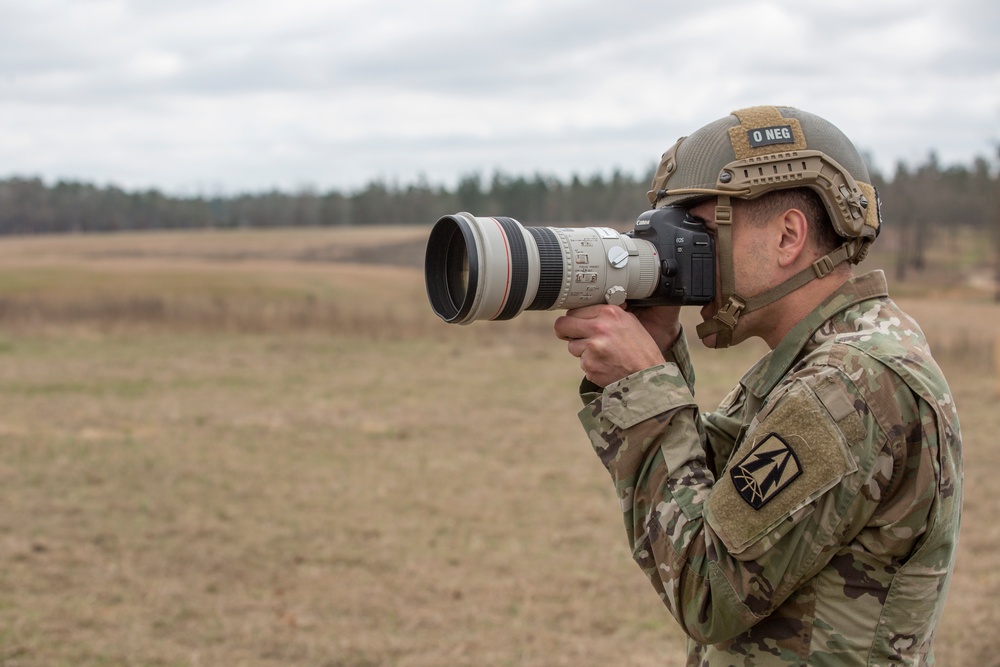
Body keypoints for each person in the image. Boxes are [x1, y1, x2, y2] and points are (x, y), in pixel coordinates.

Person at [553, 106, 963, 666]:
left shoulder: (849, 383)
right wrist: (657, 357)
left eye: (698, 231)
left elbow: (709, 588)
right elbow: (719, 498)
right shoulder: (827, 358)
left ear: (788, 236)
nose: (679, 253)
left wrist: (646, 392)